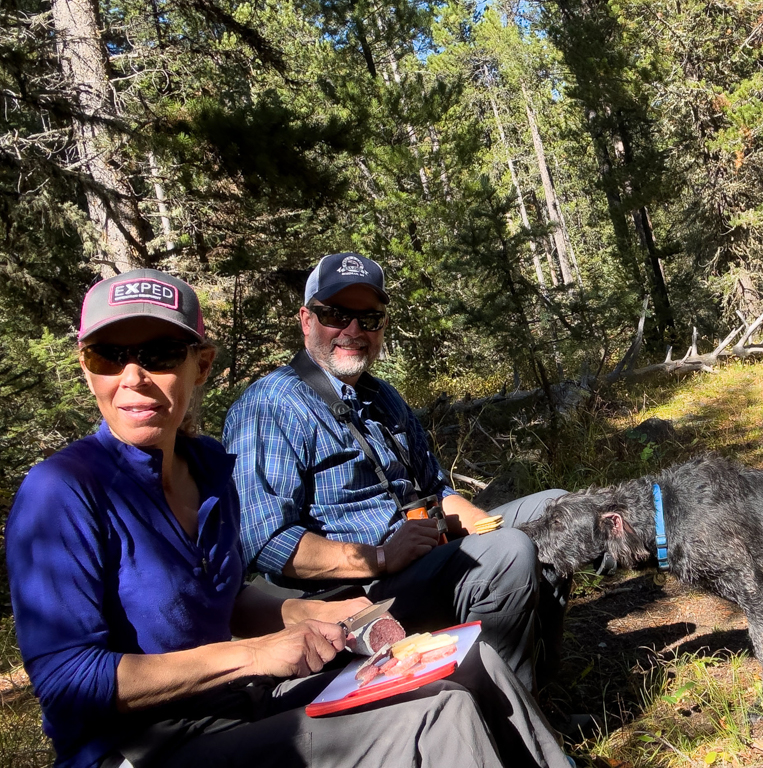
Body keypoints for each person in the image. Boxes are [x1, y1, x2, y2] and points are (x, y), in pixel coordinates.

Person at [5, 268, 569, 768]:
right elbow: (68, 682)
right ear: (86, 367)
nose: (133, 377)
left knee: (471, 666)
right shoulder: (63, 491)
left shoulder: (206, 469)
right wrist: (254, 653)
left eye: (159, 354)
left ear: (199, 366)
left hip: (238, 703)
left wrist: (309, 614)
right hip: (143, 744)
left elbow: (219, 601)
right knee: (433, 716)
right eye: (109, 356)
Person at [223, 253, 567, 694]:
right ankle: (506, 721)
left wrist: (484, 526)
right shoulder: (270, 405)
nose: (353, 331)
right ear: (306, 320)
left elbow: (438, 490)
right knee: (509, 554)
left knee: (553, 510)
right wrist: (381, 556)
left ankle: (542, 693)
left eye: (368, 318)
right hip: (359, 595)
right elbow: (265, 543)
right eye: (335, 314)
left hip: (427, 553)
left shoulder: (382, 396)